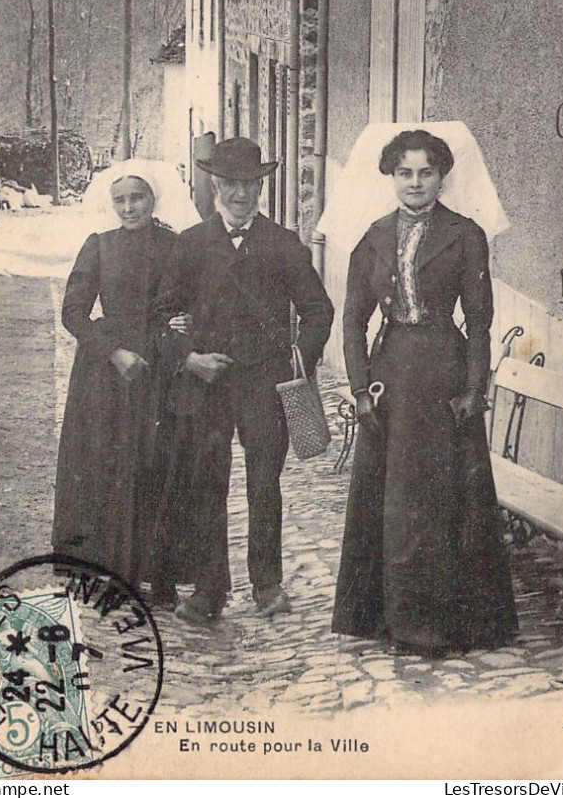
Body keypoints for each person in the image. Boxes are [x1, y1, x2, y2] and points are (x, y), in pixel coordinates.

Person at [331, 129, 518, 655]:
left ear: (441, 177)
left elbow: (479, 321)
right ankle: (389, 617)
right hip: (390, 374)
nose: (415, 183)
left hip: (442, 374)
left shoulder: (464, 234)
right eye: (404, 173)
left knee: (440, 501)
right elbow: (352, 321)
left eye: (426, 173)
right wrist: (360, 388)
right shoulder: (373, 236)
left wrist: (472, 388)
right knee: (392, 501)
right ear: (391, 177)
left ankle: (443, 624)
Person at [153, 137, 334, 625]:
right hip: (207, 384)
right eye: (230, 184)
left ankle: (267, 584)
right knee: (206, 484)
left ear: (260, 187)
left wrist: (299, 359)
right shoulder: (190, 244)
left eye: (249, 184)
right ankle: (210, 589)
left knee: (264, 484)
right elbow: (164, 313)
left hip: (264, 384)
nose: (239, 194)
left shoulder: (282, 244)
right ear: (215, 185)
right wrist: (189, 358)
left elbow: (318, 311)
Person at [52, 160, 199, 606]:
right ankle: (109, 570)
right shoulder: (99, 246)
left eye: (138, 198)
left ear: (154, 199)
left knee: (157, 464)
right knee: (108, 465)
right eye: (120, 200)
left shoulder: (176, 245)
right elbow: (73, 312)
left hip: (160, 367)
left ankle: (159, 574)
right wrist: (113, 351)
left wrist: (187, 322)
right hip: (108, 372)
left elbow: (192, 300)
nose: (129, 207)